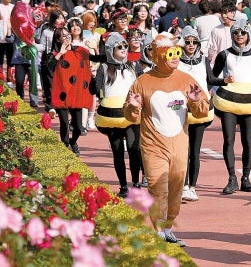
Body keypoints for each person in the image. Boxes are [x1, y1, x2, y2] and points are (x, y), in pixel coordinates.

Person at [123, 33, 210, 247]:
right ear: (159, 55)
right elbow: (130, 116)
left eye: (177, 53)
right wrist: (133, 107)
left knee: (176, 187)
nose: (176, 57)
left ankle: (168, 228)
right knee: (157, 187)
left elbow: (202, 112)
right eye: (170, 54)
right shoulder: (142, 82)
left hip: (179, 144)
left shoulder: (186, 79)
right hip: (153, 145)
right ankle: (159, 231)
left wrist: (196, 102)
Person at [211, 20, 251, 194]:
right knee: (229, 140)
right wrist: (219, 83)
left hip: (250, 103)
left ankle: (246, 178)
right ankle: (232, 179)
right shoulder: (224, 55)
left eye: (243, 32)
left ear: (248, 35)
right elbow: (212, 77)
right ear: (232, 35)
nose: (239, 35)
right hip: (229, 102)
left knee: (247, 141)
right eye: (236, 32)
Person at [94, 32, 144, 198]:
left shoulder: (134, 66)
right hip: (112, 117)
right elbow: (95, 90)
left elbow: (143, 85)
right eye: (119, 47)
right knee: (117, 152)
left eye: (125, 46)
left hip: (131, 115)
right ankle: (123, 186)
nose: (123, 49)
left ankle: (136, 183)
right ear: (111, 50)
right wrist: (91, 77)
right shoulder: (103, 68)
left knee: (134, 148)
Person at [177, 27, 221, 202]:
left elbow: (210, 79)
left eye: (194, 42)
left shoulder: (203, 60)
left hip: (199, 110)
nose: (191, 45)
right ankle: (183, 186)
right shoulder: (176, 60)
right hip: (180, 111)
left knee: (194, 151)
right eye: (187, 42)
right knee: (183, 151)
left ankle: (192, 187)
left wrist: (224, 82)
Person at [47, 17, 93, 156]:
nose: (67, 38)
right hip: (61, 92)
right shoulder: (55, 54)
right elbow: (49, 67)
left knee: (78, 126)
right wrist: (61, 52)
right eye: (63, 36)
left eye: (68, 35)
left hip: (75, 92)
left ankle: (73, 142)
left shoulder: (78, 50)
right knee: (64, 123)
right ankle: (65, 145)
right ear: (58, 40)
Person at [36, 9, 66, 118]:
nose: (61, 20)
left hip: (63, 58)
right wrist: (32, 45)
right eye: (58, 18)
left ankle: (59, 105)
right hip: (49, 58)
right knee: (49, 83)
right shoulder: (46, 31)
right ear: (53, 19)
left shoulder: (65, 31)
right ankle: (51, 107)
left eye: (62, 18)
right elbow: (43, 46)